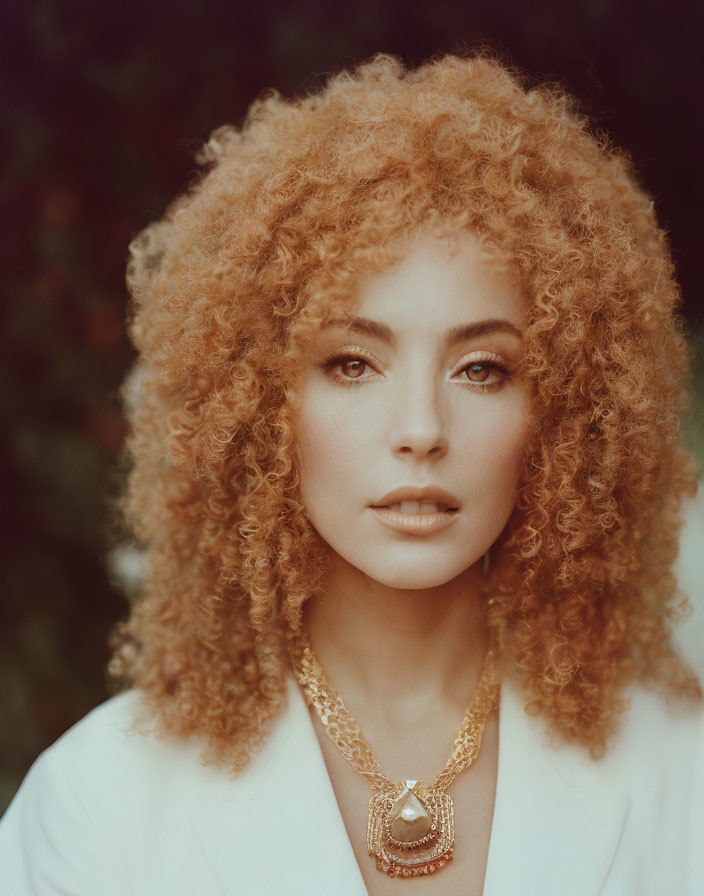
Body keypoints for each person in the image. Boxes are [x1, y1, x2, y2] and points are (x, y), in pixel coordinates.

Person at [1, 52, 703, 895]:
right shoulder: (98, 806)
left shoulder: (682, 779)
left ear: (567, 415)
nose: (419, 431)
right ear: (258, 402)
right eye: (351, 364)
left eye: (482, 369)